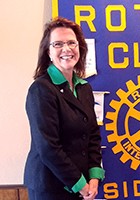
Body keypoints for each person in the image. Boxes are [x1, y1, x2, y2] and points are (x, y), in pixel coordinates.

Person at [24, 17, 105, 200]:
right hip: (50, 188)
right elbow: (48, 147)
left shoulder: (84, 88)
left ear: (80, 48)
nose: (66, 49)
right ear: (48, 52)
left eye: (71, 43)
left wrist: (94, 177)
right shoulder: (41, 89)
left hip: (82, 184)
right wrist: (80, 184)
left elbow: (92, 135)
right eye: (58, 44)